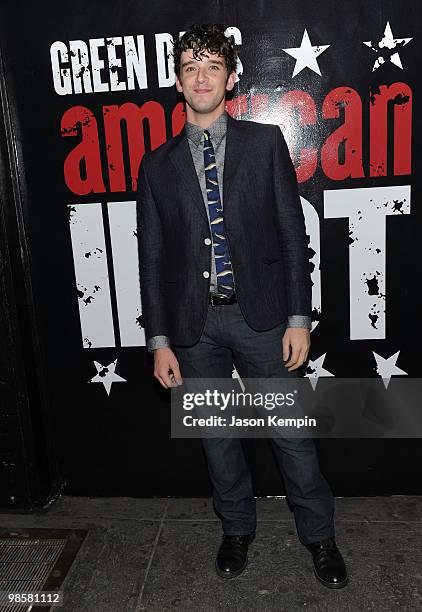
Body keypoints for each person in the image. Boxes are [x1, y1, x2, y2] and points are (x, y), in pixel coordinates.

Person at [136, 23, 348, 588]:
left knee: (291, 436)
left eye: (211, 66)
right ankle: (236, 528)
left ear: (231, 78)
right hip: (193, 326)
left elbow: (290, 236)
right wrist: (159, 340)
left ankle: (320, 536)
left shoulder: (264, 144)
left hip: (263, 318)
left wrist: (299, 318)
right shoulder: (156, 167)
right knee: (218, 439)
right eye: (189, 67)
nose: (201, 77)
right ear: (177, 82)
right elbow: (152, 260)